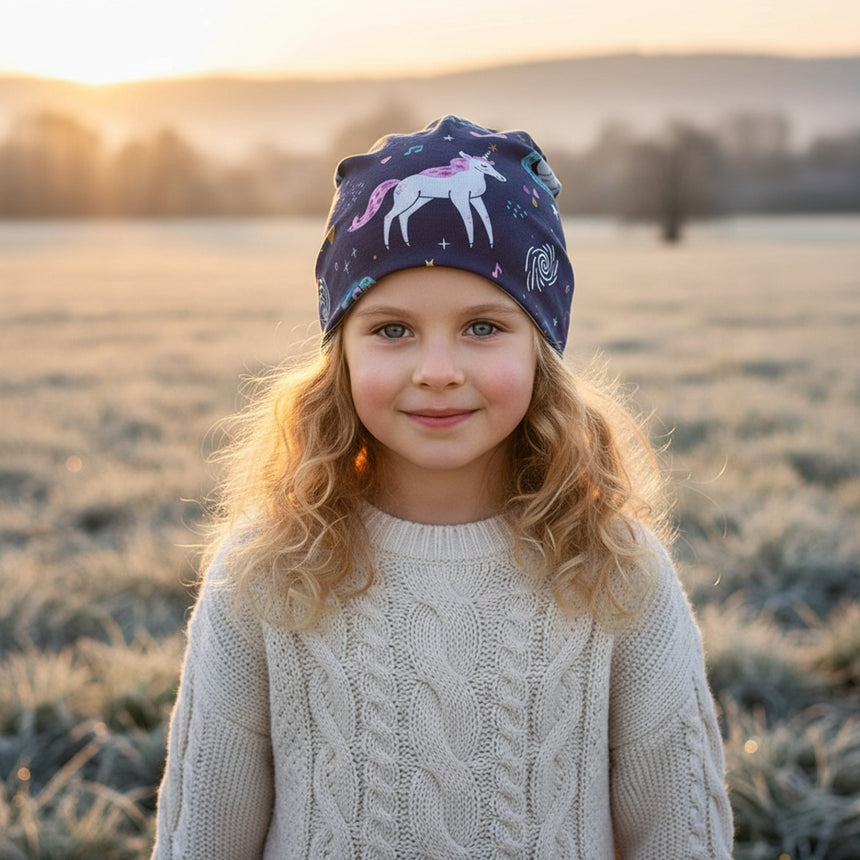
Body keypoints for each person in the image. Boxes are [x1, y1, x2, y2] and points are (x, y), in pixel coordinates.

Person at [152, 115, 733, 858]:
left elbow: (679, 833)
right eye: (392, 330)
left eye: (483, 327)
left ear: (541, 350)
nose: (436, 370)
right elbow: (203, 834)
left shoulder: (617, 570)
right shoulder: (265, 571)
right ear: (342, 356)